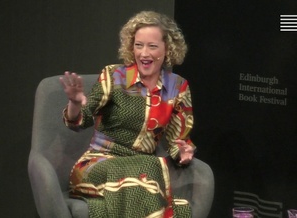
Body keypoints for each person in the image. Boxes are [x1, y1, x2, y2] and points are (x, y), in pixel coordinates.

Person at [59, 10, 195, 218]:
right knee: (149, 172)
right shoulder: (114, 76)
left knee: (145, 173)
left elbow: (178, 139)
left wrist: (183, 153)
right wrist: (75, 103)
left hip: (142, 171)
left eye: (152, 46)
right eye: (138, 45)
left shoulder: (178, 87)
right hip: (99, 164)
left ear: (167, 50)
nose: (144, 53)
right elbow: (80, 120)